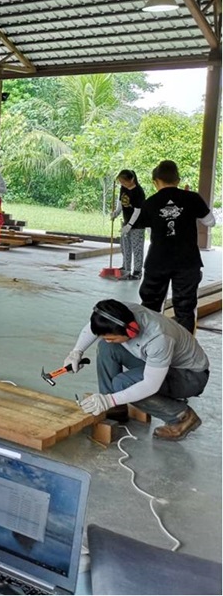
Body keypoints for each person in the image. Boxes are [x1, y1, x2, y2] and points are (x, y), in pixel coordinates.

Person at [66, 299, 209, 441]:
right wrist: (76, 352)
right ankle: (115, 408)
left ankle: (182, 416)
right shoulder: (121, 313)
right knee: (106, 347)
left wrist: (110, 400)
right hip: (161, 363)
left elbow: (150, 385)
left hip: (189, 376)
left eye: (112, 337)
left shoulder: (159, 339)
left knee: (122, 383)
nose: (109, 339)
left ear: (131, 331)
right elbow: (94, 327)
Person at [121, 160, 215, 333]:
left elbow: (141, 223)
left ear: (155, 181)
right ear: (178, 180)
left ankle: (150, 342)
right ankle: (185, 349)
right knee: (185, 308)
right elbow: (211, 222)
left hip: (158, 261)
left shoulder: (150, 202)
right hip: (187, 262)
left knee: (150, 305)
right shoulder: (192, 198)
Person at [111, 169, 146, 280]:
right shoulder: (123, 188)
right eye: (120, 182)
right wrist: (116, 212)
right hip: (126, 222)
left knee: (137, 248)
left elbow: (137, 210)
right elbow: (121, 201)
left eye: (124, 181)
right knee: (125, 246)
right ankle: (126, 267)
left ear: (132, 179)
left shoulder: (138, 192)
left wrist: (129, 225)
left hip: (137, 224)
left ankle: (137, 272)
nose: (122, 184)